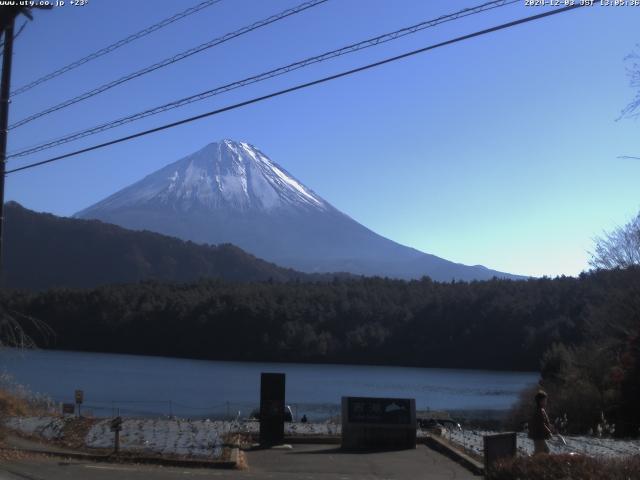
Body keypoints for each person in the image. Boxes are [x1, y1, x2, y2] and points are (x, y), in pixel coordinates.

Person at [528, 390, 552, 455]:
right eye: (545, 400)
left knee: (544, 451)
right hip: (538, 435)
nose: (546, 402)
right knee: (541, 452)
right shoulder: (539, 411)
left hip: (538, 435)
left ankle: (533, 463)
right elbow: (541, 424)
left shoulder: (541, 410)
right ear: (540, 401)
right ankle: (529, 463)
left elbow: (544, 422)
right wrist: (549, 431)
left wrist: (550, 427)